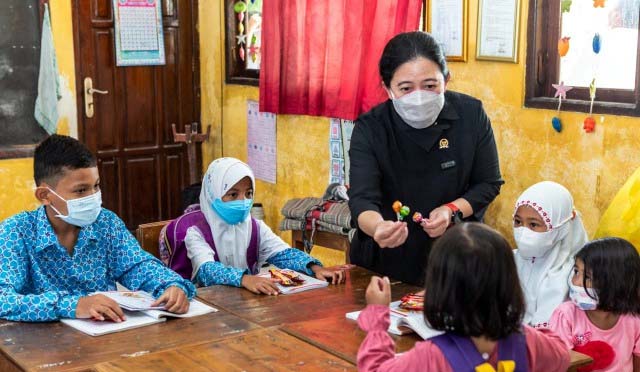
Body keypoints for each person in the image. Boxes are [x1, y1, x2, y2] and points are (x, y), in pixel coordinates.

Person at [348, 31, 503, 285]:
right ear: (388, 89)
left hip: (455, 259)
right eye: (406, 88)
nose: (419, 97)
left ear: (447, 80)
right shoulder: (371, 128)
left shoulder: (471, 115)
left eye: (430, 86)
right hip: (386, 263)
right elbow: (362, 200)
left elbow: (488, 183)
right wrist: (378, 228)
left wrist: (451, 211)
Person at [0, 135, 195, 323]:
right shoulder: (15, 232)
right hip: (40, 348)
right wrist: (73, 305)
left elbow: (139, 266)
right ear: (45, 195)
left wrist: (171, 286)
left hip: (105, 340)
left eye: (96, 186)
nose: (94, 196)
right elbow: (3, 299)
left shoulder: (106, 223)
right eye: (81, 190)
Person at [357, 223, 570, 371]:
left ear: (439, 290)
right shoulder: (530, 343)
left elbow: (375, 368)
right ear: (509, 283)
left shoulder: (432, 358)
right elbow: (561, 355)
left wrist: (377, 317)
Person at [174, 157, 344, 295]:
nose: (243, 201)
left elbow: (282, 254)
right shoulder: (195, 231)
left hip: (246, 303)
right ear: (213, 194)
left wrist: (315, 268)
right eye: (233, 194)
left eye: (248, 194)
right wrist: (245, 279)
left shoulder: (254, 226)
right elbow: (207, 270)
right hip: (207, 307)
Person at [549, 237, 640, 372]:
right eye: (576, 272)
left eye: (587, 277)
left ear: (616, 282)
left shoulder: (634, 319)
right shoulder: (565, 315)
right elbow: (560, 365)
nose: (577, 282)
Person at [512, 181, 588, 326]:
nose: (523, 231)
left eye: (533, 224)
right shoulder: (508, 259)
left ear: (561, 227)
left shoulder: (575, 273)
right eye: (518, 221)